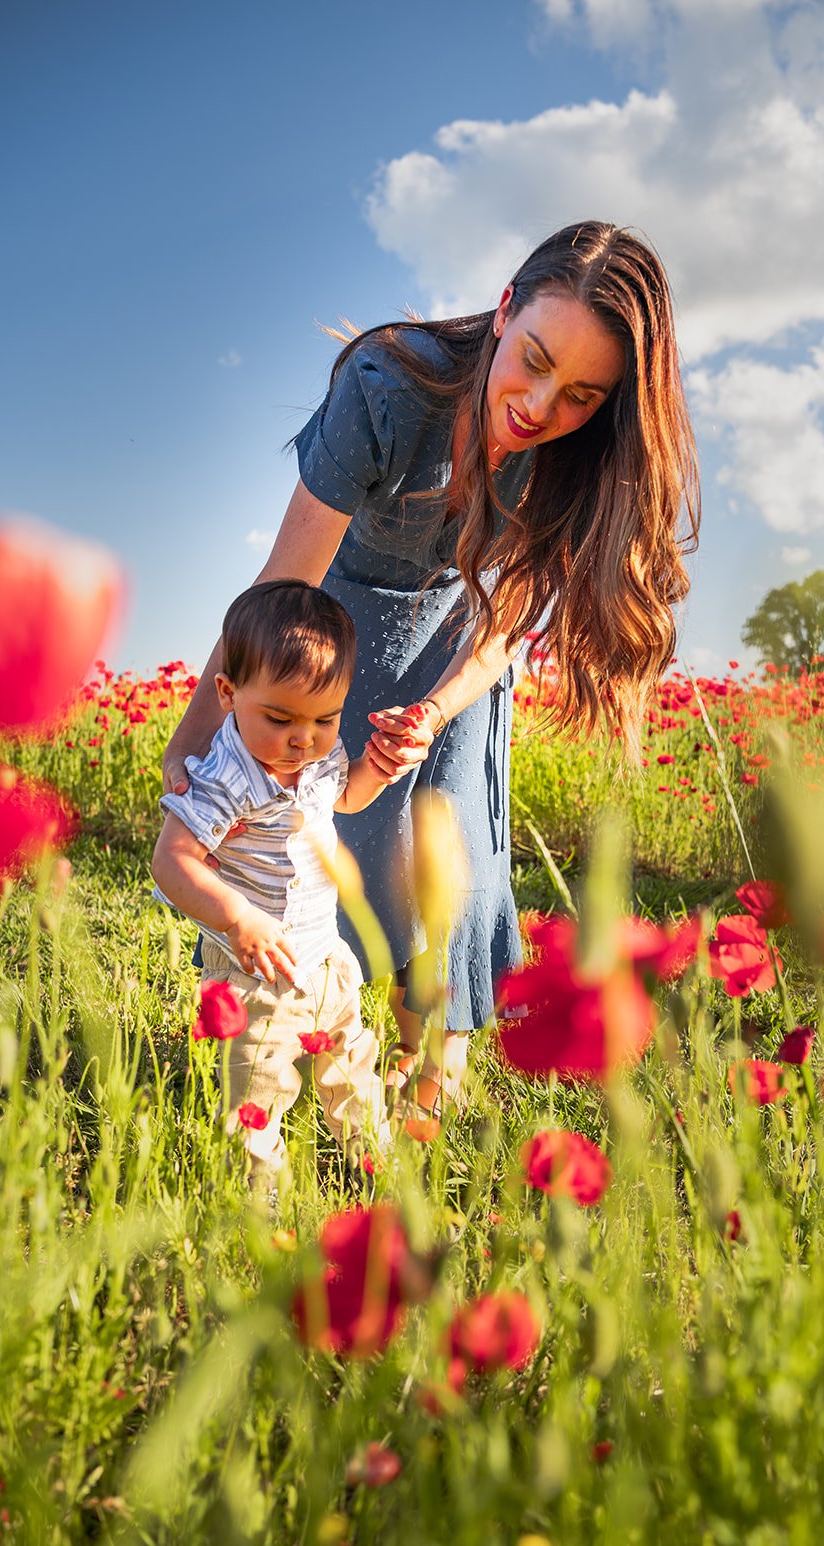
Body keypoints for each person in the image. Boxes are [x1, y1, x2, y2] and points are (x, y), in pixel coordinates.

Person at [163, 220, 699, 1118]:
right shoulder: (388, 388)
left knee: (452, 851)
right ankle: (284, 1035)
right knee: (316, 845)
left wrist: (441, 709)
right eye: (532, 359)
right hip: (334, 629)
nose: (538, 405)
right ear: (503, 310)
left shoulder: (577, 465)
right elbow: (284, 580)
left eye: (579, 395)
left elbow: (506, 626)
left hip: (463, 637)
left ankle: (429, 1092)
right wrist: (192, 739)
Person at [152, 579, 394, 1183]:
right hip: (255, 970)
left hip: (325, 955)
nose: (304, 738)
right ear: (229, 694)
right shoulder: (223, 779)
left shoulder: (315, 755)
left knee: (352, 1063)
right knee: (258, 1086)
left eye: (325, 718)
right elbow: (170, 860)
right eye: (280, 717)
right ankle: (261, 1202)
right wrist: (238, 917)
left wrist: (376, 771)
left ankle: (377, 1163)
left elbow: (343, 797)